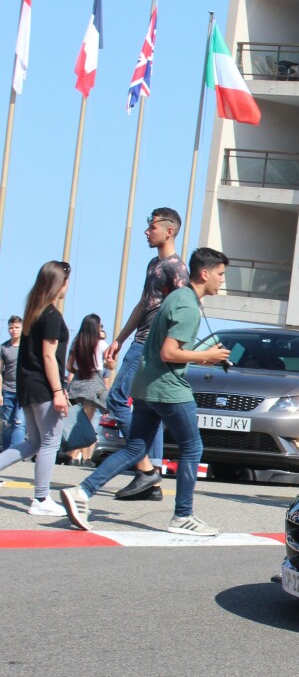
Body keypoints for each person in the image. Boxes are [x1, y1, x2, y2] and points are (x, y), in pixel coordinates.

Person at [62, 249, 233, 535]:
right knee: (192, 447)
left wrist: (205, 353)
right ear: (205, 273)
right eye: (220, 274)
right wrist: (205, 357)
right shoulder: (189, 306)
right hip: (168, 389)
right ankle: (183, 516)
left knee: (136, 447)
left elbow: (165, 347)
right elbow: (169, 352)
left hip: (145, 385)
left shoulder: (175, 298)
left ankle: (82, 492)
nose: (222, 281)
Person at [103, 207, 188, 501]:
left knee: (115, 398)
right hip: (138, 340)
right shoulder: (154, 264)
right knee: (148, 409)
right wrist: (119, 338)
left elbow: (182, 310)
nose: (147, 231)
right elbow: (143, 304)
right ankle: (152, 480)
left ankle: (145, 468)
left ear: (169, 231)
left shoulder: (176, 268)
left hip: (151, 345)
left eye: (152, 226)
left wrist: (171, 349)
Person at [0, 262, 71, 515]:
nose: (68, 285)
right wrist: (58, 392)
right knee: (49, 442)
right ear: (58, 283)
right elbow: (49, 357)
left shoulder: (32, 313)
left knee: (33, 442)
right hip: (44, 387)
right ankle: (41, 499)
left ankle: (41, 498)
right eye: (66, 280)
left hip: (27, 386)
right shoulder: (51, 315)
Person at [64, 313, 113, 465]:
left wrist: (77, 370)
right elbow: (110, 365)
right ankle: (83, 458)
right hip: (93, 383)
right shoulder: (102, 344)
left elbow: (68, 366)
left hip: (78, 382)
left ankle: (73, 456)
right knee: (88, 423)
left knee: (77, 422)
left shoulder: (76, 342)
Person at [1, 315, 25, 451]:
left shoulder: (27, 347)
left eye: (16, 327)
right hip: (7, 390)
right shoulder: (4, 348)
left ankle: (16, 453)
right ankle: (6, 453)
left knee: (19, 422)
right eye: (11, 327)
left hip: (23, 391)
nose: (13, 330)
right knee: (7, 424)